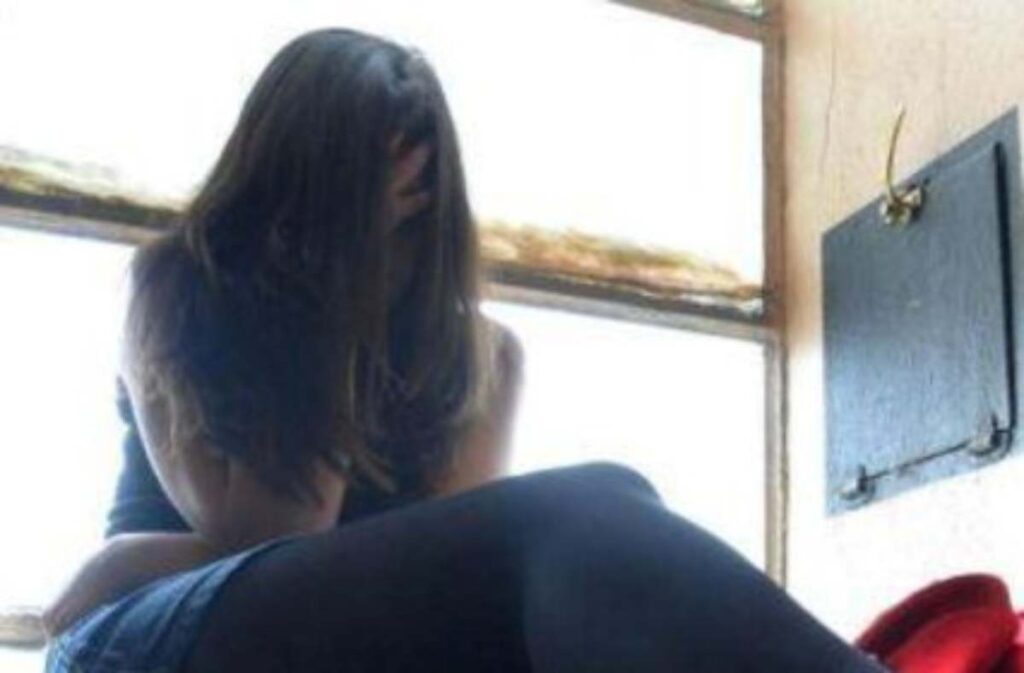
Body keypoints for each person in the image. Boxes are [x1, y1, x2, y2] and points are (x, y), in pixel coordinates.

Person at [43, 28, 887, 672]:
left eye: (406, 221)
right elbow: (277, 529)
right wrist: (336, 286)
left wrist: (124, 561)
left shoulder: (484, 357)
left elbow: (448, 590)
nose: (388, 249)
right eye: (363, 214)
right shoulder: (180, 285)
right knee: (590, 505)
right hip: (139, 639)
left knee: (588, 534)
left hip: (207, 600)